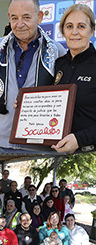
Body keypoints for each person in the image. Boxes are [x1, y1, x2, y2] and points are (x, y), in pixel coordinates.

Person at [0, 0, 66, 154]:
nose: (19, 24)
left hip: (38, 146)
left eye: (26, 17)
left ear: (39, 17)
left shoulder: (56, 51)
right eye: (14, 18)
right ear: (9, 17)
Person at [52, 4, 96, 154]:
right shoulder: (59, 64)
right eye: (69, 26)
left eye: (81, 26)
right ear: (63, 31)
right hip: (56, 150)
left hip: (88, 153)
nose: (74, 32)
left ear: (92, 31)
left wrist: (79, 139)